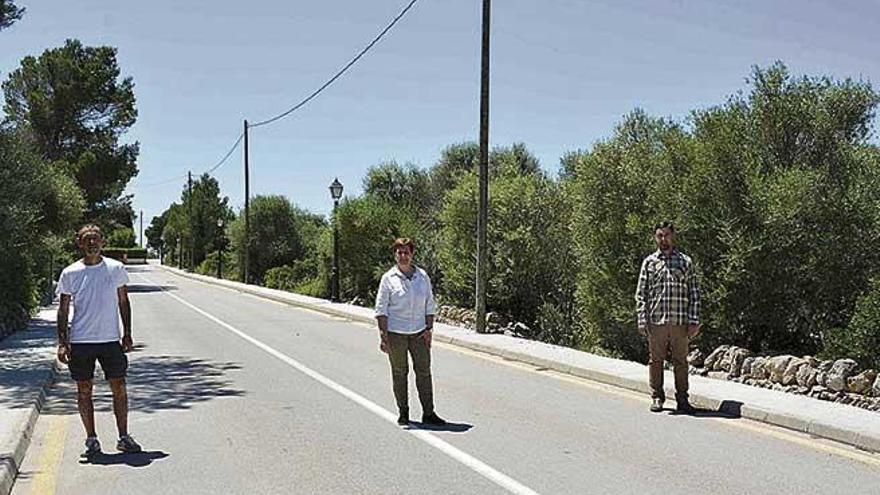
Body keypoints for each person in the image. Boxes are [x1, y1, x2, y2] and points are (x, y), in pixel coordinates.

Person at [57, 224, 142, 458]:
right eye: (87, 240)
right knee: (84, 390)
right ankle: (91, 439)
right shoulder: (70, 272)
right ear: (80, 243)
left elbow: (123, 302)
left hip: (110, 340)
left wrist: (127, 333)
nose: (92, 243)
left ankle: (123, 437)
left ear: (102, 241)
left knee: (119, 387)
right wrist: (63, 342)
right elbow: (63, 310)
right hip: (81, 341)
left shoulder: (115, 269)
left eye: (96, 239)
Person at [374, 238, 446, 426]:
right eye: (400, 253)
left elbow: (429, 304)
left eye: (406, 252)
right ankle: (403, 412)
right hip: (395, 334)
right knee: (400, 372)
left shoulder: (422, 277)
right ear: (395, 255)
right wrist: (383, 336)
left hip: (419, 333)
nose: (403, 256)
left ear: (412, 254)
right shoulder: (388, 279)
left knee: (424, 372)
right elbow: (381, 309)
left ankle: (429, 413)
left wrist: (429, 329)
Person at [635, 221, 701, 413]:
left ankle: (682, 399)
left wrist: (694, 320)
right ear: (656, 237)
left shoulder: (685, 262)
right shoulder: (649, 262)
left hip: (680, 321)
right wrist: (642, 318)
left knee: (681, 361)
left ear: (673, 236)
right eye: (659, 236)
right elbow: (641, 293)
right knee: (656, 361)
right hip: (657, 322)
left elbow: (694, 292)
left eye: (666, 235)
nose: (663, 239)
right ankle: (657, 397)